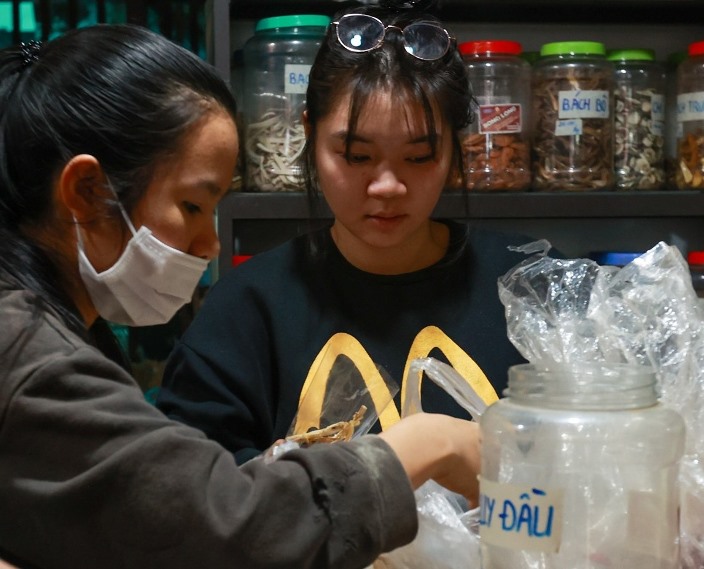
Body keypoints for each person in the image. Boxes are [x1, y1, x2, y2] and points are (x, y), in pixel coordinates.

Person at [0, 24, 480, 569]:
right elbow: (219, 527)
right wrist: (427, 445)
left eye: (418, 157)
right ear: (86, 192)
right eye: (192, 206)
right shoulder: (29, 354)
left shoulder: (64, 330)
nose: (208, 246)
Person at [156, 4, 542, 464]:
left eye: (419, 157)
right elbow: (189, 488)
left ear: (455, 148)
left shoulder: (530, 288)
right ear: (309, 136)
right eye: (356, 156)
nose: (387, 186)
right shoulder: (246, 310)